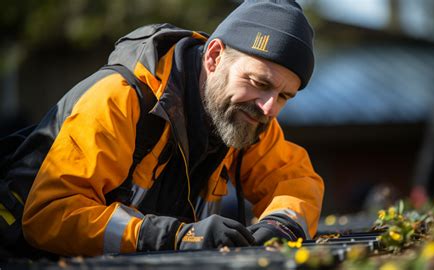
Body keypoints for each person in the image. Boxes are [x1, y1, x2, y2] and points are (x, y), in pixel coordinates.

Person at [4, 0, 324, 257]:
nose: (269, 107)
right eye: (258, 82)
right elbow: (49, 215)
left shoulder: (248, 118)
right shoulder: (119, 98)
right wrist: (173, 236)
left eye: (284, 96)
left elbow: (295, 181)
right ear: (213, 57)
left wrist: (283, 224)